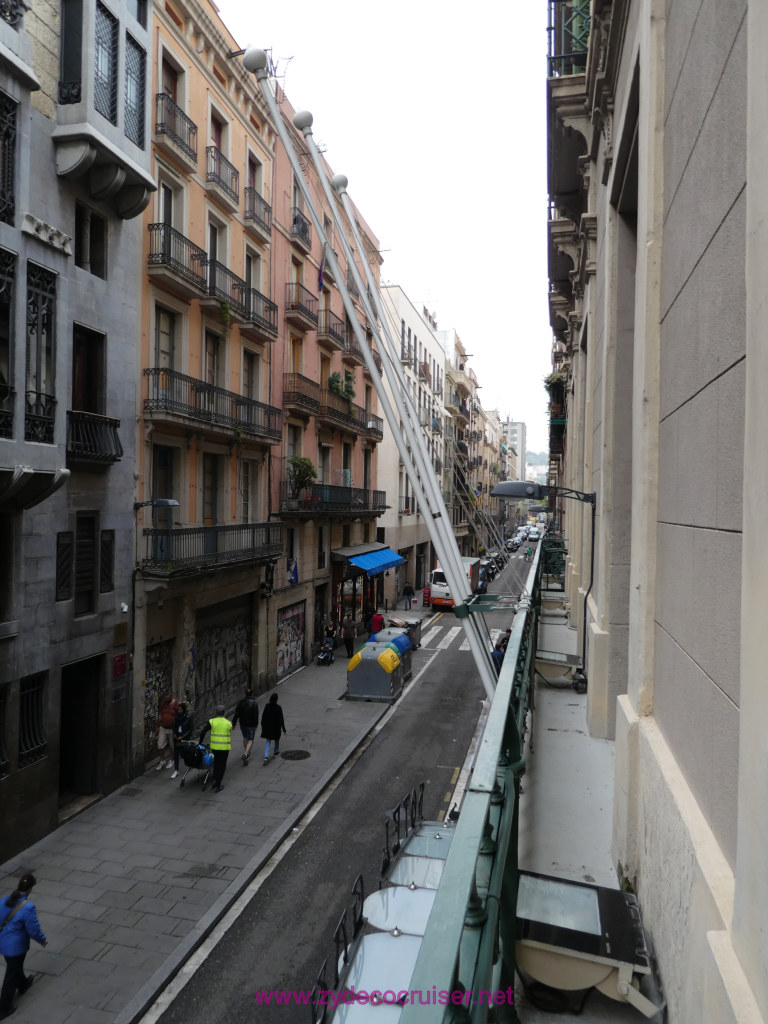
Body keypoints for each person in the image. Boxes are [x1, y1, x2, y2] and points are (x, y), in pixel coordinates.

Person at [0, 872, 47, 1019]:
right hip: (16, 947)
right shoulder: (28, 907)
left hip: (3, 942)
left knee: (15, 967)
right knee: (11, 975)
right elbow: (33, 929)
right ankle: (4, 1008)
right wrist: (42, 940)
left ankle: (23, 984)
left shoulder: (5, 900)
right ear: (30, 888)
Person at [199, 704, 232, 793]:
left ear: (216, 713)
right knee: (222, 765)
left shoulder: (212, 722)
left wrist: (200, 742)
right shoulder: (228, 723)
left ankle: (214, 781)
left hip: (215, 747)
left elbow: (203, 732)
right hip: (225, 748)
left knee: (216, 764)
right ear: (224, 712)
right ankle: (218, 784)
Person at [232, 688, 259, 766]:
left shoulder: (240, 703)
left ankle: (246, 752)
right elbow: (255, 715)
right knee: (251, 739)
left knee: (245, 738)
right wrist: (255, 725)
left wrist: (234, 723)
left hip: (242, 724)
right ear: (252, 694)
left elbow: (236, 714)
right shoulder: (254, 703)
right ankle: (246, 753)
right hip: (251, 724)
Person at [261, 693, 286, 765]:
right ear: (276, 699)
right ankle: (275, 751)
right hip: (276, 727)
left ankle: (266, 756)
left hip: (268, 727)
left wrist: (263, 725)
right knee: (276, 739)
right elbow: (281, 719)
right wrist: (284, 729)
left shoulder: (267, 706)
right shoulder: (278, 707)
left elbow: (263, 716)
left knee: (268, 741)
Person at [170, 702, 193, 780]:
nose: (178, 711)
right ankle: (176, 770)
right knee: (176, 754)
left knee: (184, 754)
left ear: (183, 709)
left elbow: (190, 729)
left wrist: (183, 736)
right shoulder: (176, 717)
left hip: (184, 738)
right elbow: (173, 725)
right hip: (177, 738)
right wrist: (174, 733)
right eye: (178, 709)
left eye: (180, 709)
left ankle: (190, 763)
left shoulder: (188, 717)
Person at [155, 693, 177, 771]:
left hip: (172, 728)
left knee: (172, 746)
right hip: (163, 727)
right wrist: (157, 726)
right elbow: (160, 715)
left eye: (167, 699)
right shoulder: (163, 704)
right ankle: (162, 760)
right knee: (160, 745)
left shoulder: (176, 704)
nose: (166, 701)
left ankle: (172, 760)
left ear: (171, 697)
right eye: (165, 699)